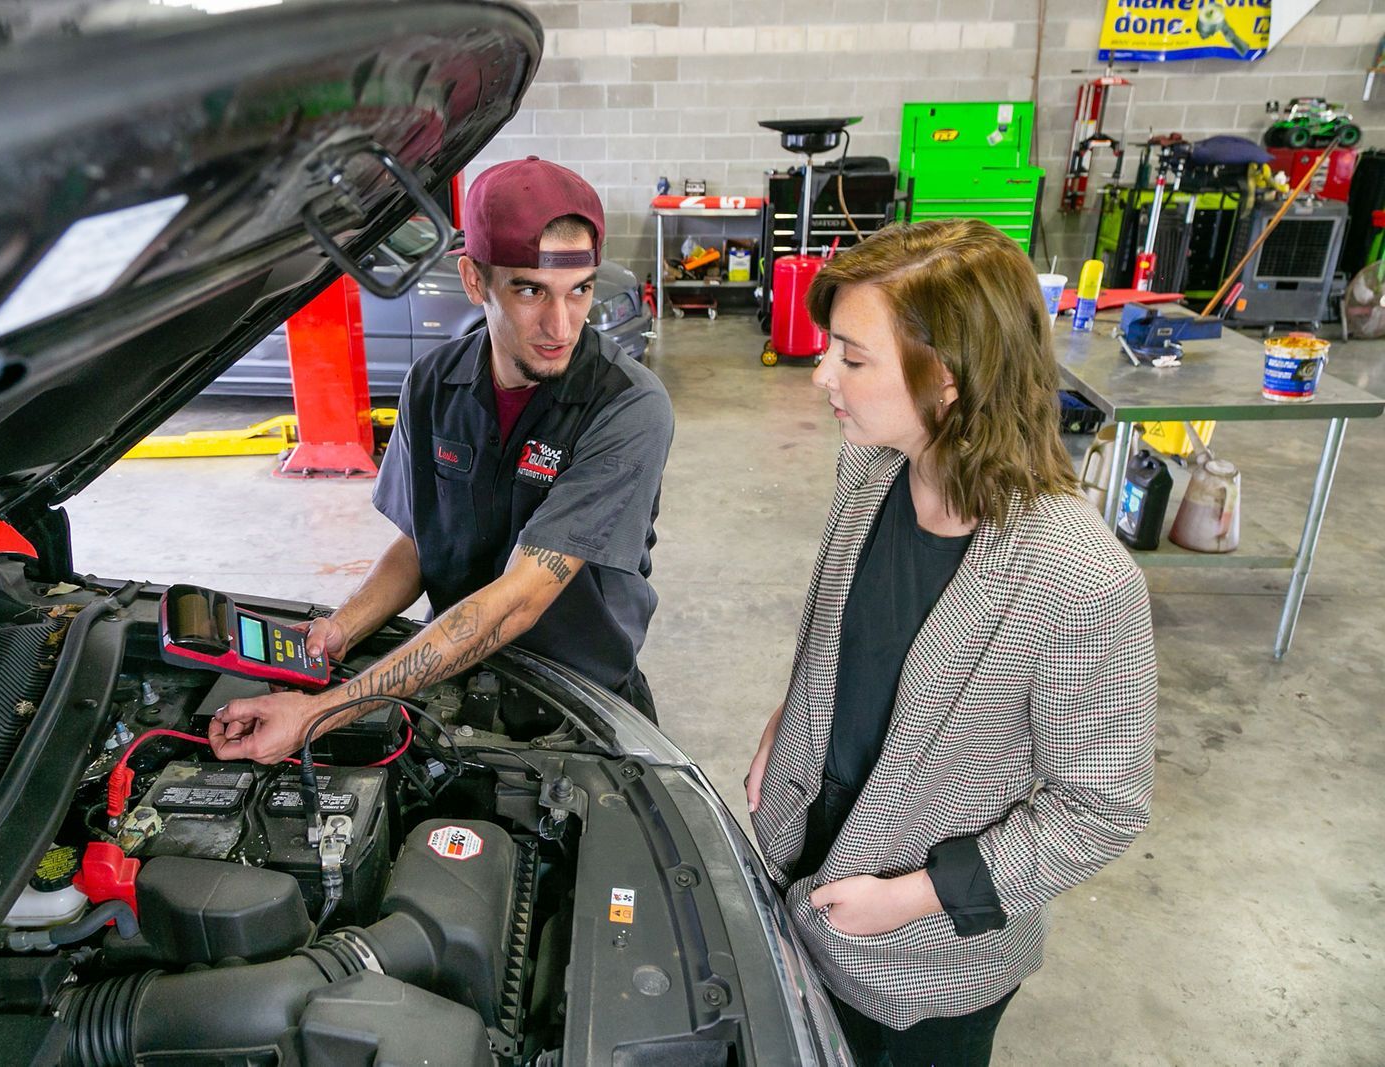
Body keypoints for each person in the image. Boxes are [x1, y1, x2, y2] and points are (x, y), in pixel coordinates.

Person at [744, 219, 1157, 1065]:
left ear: (950, 378)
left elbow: (1101, 807)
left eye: (853, 359)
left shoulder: (1079, 577)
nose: (823, 374)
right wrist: (789, 719)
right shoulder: (873, 468)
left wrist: (916, 897)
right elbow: (847, 633)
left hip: (922, 965)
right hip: (805, 868)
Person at [210, 157, 674, 763]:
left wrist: (322, 712)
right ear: (475, 281)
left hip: (576, 702)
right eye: (531, 290)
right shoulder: (433, 383)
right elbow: (420, 545)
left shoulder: (628, 406)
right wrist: (340, 629)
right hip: (444, 680)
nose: (561, 326)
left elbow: (521, 598)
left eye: (579, 290)